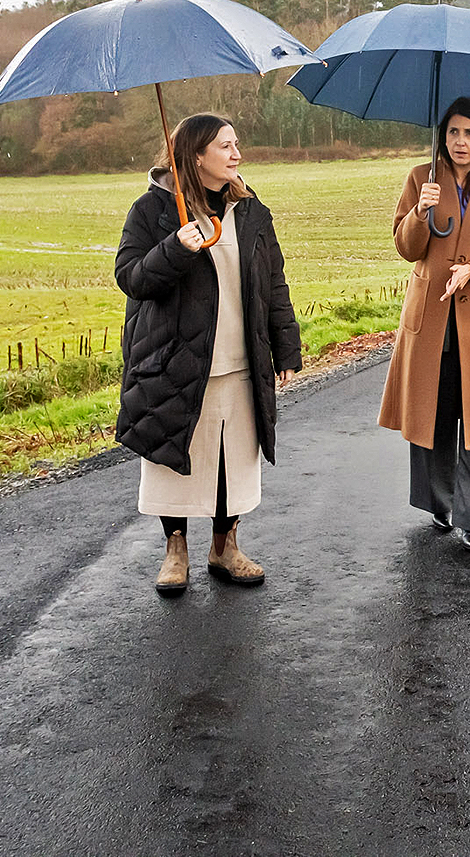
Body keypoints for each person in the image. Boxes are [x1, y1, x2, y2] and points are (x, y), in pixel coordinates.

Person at [114, 113, 302, 597]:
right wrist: (175, 248)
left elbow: (272, 282)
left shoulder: (251, 210)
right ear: (196, 155)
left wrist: (285, 345)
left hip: (239, 359)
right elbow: (131, 277)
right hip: (174, 360)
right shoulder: (152, 211)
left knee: (230, 460)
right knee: (174, 454)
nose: (237, 153)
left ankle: (225, 546)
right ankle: (176, 551)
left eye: (236, 143)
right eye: (225, 145)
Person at [377, 97, 470, 551]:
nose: (460, 142)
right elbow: (406, 248)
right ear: (442, 136)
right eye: (453, 133)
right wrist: (418, 213)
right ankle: (438, 503)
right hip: (431, 319)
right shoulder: (421, 179)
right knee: (433, 413)